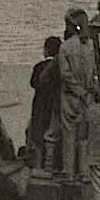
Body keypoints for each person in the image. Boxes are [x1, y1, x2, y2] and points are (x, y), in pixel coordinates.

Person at [57, 8, 97, 181]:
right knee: (84, 136)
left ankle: (69, 171)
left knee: (69, 135)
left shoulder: (65, 47)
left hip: (69, 96)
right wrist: (87, 91)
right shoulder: (92, 47)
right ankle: (84, 171)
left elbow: (65, 75)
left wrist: (77, 89)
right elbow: (97, 73)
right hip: (87, 95)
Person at [28, 35, 64, 172]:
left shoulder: (39, 67)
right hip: (55, 103)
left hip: (40, 103)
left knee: (38, 132)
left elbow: (33, 83)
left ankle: (38, 165)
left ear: (47, 50)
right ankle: (52, 164)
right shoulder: (60, 68)